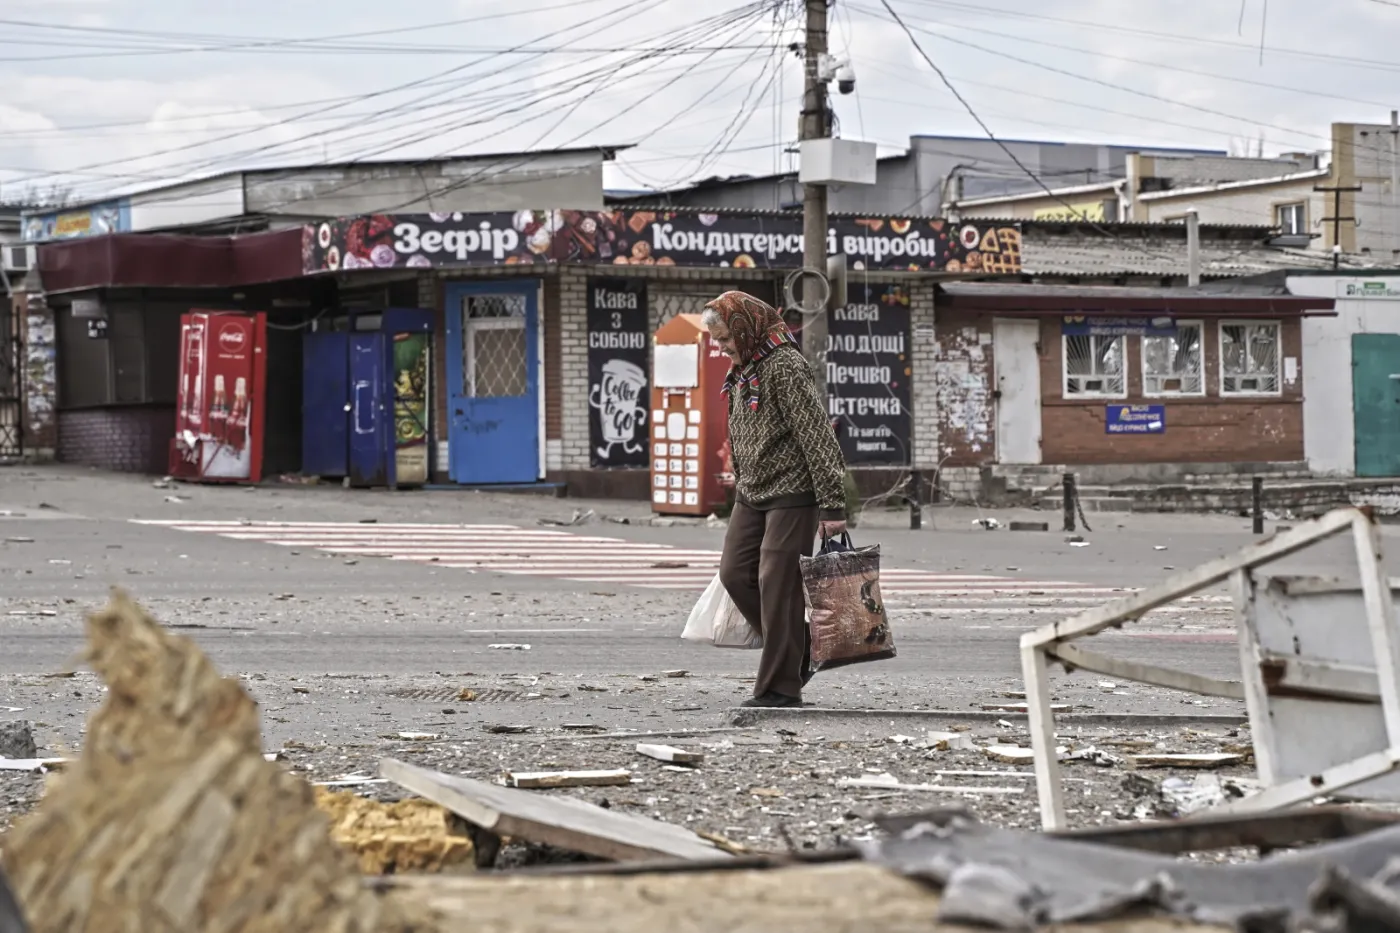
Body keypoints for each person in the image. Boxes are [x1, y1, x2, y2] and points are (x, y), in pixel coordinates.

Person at [702, 290, 848, 709]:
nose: (721, 347)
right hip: (752, 494)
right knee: (735, 574)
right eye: (717, 340)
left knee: (777, 585)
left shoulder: (784, 365)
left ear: (746, 328)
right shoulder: (744, 366)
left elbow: (818, 438)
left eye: (725, 338)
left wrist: (832, 507)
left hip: (793, 492)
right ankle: (800, 647)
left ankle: (780, 688)